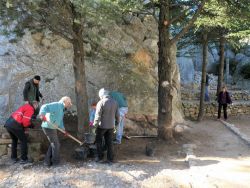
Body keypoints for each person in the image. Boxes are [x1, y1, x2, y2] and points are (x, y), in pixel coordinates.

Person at [39, 96, 72, 167]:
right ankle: (55, 163)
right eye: (68, 103)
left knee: (53, 144)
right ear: (65, 101)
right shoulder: (57, 105)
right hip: (47, 126)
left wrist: (63, 130)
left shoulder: (62, 109)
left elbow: (60, 121)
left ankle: (47, 161)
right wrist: (42, 115)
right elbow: (44, 106)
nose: (69, 105)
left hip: (53, 127)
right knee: (56, 144)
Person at [93, 88, 119, 164]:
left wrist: (94, 126)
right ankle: (110, 159)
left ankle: (100, 157)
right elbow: (117, 115)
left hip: (102, 127)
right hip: (111, 126)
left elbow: (97, 116)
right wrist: (116, 124)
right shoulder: (115, 102)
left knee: (99, 141)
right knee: (110, 142)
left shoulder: (100, 103)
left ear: (102, 95)